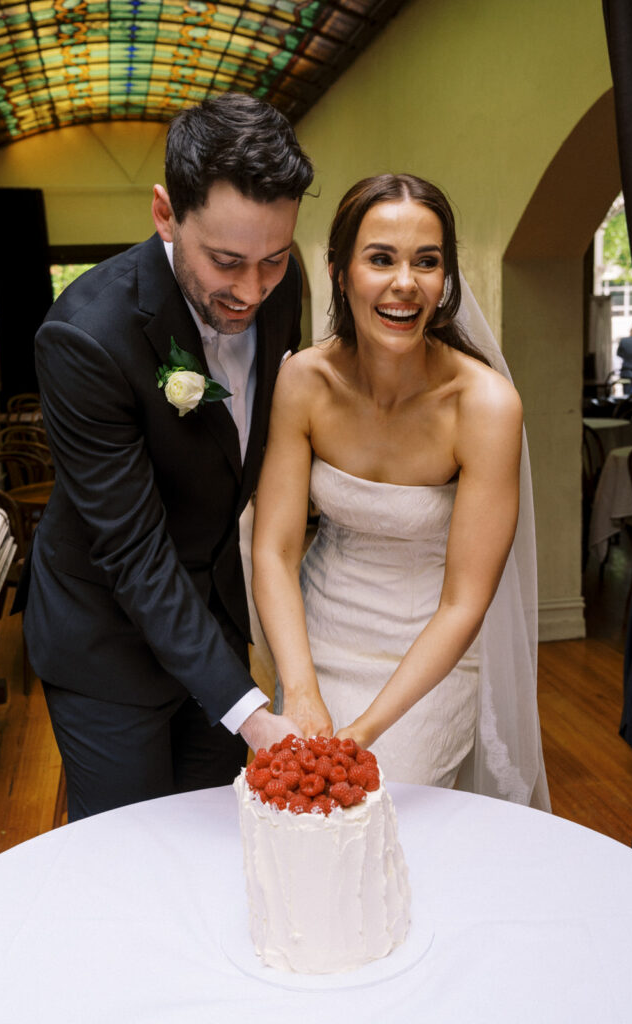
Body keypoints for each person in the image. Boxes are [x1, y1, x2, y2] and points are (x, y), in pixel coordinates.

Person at [17, 93, 313, 820]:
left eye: (271, 259)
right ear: (165, 215)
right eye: (226, 261)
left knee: (215, 839)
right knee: (131, 855)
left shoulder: (283, 287)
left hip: (214, 622)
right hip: (105, 641)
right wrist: (251, 711)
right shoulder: (84, 336)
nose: (250, 290)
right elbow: (134, 551)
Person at [252, 173, 550, 809]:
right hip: (318, 640)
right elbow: (274, 550)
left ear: (446, 281)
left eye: (427, 262)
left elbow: (464, 601)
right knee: (301, 818)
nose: (405, 283)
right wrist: (300, 687)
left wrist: (362, 733)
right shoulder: (304, 381)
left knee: (383, 818)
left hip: (429, 659)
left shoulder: (485, 406)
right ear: (339, 271)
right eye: (380, 259)